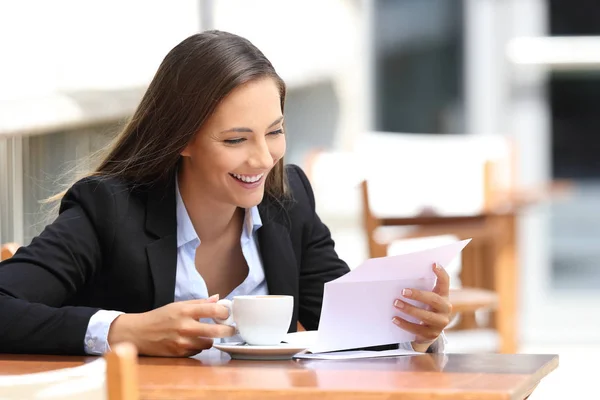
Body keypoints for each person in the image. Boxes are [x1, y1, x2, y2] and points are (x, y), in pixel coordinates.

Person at [0, 30, 451, 357]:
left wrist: (413, 331)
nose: (262, 159)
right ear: (183, 138)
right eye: (236, 140)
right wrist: (123, 330)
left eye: (274, 132)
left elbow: (338, 326)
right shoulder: (109, 208)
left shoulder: (288, 199)